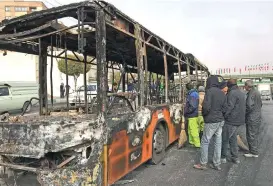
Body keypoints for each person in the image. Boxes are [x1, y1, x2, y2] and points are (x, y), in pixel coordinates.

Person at [194, 75, 226, 170]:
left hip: (211, 120)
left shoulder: (209, 92)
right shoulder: (221, 93)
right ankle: (217, 164)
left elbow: (206, 107)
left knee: (205, 141)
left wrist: (205, 115)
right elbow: (225, 108)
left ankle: (203, 164)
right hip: (220, 121)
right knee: (218, 142)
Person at [221, 79, 246, 164]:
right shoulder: (241, 92)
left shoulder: (232, 93)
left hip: (231, 120)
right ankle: (235, 157)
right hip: (240, 120)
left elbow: (230, 106)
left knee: (225, 138)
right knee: (233, 138)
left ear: (229, 85)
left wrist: (224, 115)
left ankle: (223, 157)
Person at [244, 80, 262, 158]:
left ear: (247, 86)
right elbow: (260, 104)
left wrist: (245, 114)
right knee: (255, 134)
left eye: (245, 86)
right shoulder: (257, 92)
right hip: (257, 116)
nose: (244, 87)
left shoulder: (251, 93)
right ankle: (254, 150)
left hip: (251, 118)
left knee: (251, 134)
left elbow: (249, 106)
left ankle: (253, 152)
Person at [184, 83, 200, 148]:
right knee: (190, 129)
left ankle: (197, 144)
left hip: (192, 115)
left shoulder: (192, 94)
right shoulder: (193, 93)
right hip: (193, 115)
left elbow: (193, 106)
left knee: (193, 130)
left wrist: (187, 111)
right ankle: (191, 141)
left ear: (187, 88)